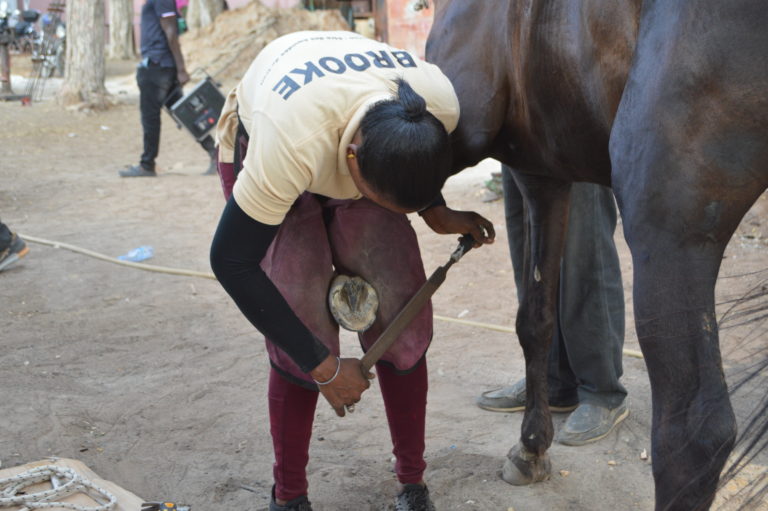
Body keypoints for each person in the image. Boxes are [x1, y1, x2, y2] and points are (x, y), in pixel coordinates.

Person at [209, 31, 495, 511]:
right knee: (300, 321)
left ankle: (412, 481)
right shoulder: (288, 144)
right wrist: (322, 367)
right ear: (351, 166)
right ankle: (290, 496)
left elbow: (414, 165)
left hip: (350, 128)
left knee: (401, 316)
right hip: (280, 135)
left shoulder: (438, 102)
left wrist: (434, 211)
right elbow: (231, 261)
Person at [476, 165, 628, 446]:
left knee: (584, 242)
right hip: (518, 128)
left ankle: (602, 391)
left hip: (571, 126)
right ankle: (553, 381)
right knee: (528, 238)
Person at [120, 0, 215, 177]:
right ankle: (214, 153)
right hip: (162, 66)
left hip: (157, 67)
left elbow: (171, 34)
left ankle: (147, 165)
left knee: (150, 118)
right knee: (185, 114)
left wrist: (181, 69)